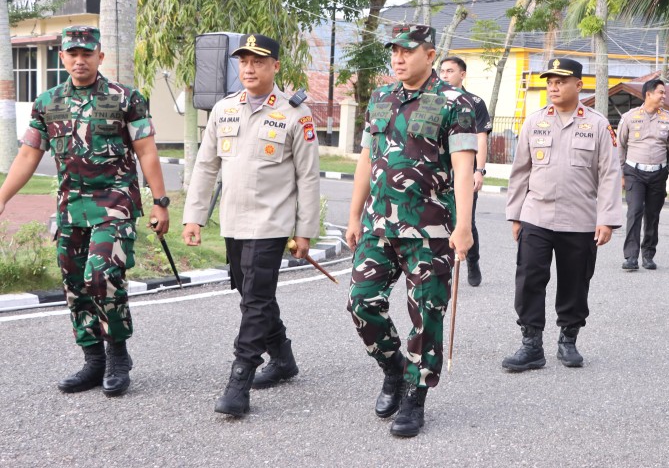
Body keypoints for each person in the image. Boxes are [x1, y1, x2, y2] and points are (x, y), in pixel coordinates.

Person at [0, 25, 169, 397]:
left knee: (101, 274)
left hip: (115, 202)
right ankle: (93, 361)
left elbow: (146, 150)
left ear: (100, 57)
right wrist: (2, 197)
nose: (80, 60)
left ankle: (118, 355)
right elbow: (29, 154)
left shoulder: (125, 98)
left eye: (87, 54)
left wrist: (160, 201)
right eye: (72, 54)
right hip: (70, 208)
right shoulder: (47, 103)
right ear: (62, 57)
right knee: (75, 284)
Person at [345, 24, 477, 438]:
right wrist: (353, 216)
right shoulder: (381, 97)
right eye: (394, 52)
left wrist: (464, 226)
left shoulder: (457, 102)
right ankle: (394, 369)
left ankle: (416, 397)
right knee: (361, 303)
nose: (398, 58)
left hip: (431, 230)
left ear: (430, 54)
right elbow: (367, 160)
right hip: (378, 226)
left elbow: (463, 168)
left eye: (407, 51)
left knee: (427, 315)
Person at [182, 33, 320, 418]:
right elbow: (206, 166)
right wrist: (195, 216)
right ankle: (283, 358)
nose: (248, 68)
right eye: (243, 61)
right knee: (250, 295)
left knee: (255, 300)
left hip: (271, 224)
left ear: (275, 66)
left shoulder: (295, 114)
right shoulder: (224, 109)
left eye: (258, 61)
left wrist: (304, 230)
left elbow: (308, 177)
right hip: (233, 222)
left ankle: (239, 380)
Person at [502, 58, 622, 372]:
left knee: (575, 282)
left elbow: (610, 173)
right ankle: (531, 345)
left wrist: (606, 218)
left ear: (579, 85)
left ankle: (568, 339)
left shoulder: (596, 124)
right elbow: (520, 172)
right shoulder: (534, 121)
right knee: (529, 279)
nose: (554, 86)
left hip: (580, 219)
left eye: (561, 81)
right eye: (550, 81)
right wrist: (515, 215)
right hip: (535, 216)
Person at [438, 55, 493, 286]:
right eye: (442, 71)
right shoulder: (433, 99)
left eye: (450, 71)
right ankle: (440, 267)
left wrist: (479, 170)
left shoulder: (474, 102)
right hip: (439, 173)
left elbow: (480, 138)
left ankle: (473, 261)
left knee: (466, 220)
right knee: (438, 221)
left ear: (462, 74)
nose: (445, 75)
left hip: (466, 173)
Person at [617, 79, 669, 270]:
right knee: (634, 211)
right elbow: (620, 145)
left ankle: (648, 255)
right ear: (649, 94)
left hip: (658, 174)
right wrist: (620, 173)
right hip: (634, 172)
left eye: (664, 92)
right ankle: (630, 257)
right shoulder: (629, 117)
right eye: (661, 92)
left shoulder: (668, 118)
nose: (664, 96)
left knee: (652, 215)